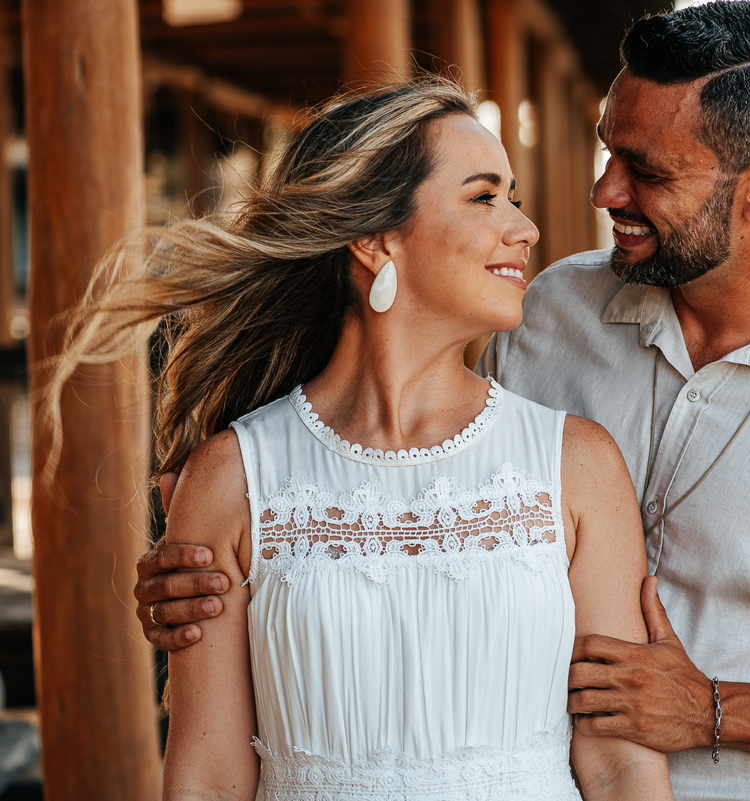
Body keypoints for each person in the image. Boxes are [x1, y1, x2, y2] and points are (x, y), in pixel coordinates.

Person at [138, 3, 750, 800]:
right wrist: (217, 569)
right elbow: (379, 411)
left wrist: (715, 711)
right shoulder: (545, 312)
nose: (604, 191)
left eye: (644, 170)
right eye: (607, 147)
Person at [57, 79, 675, 799]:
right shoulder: (232, 478)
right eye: (484, 197)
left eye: (512, 196)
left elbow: (620, 763)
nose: (525, 227)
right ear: (376, 237)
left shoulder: (576, 465)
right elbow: (209, 775)